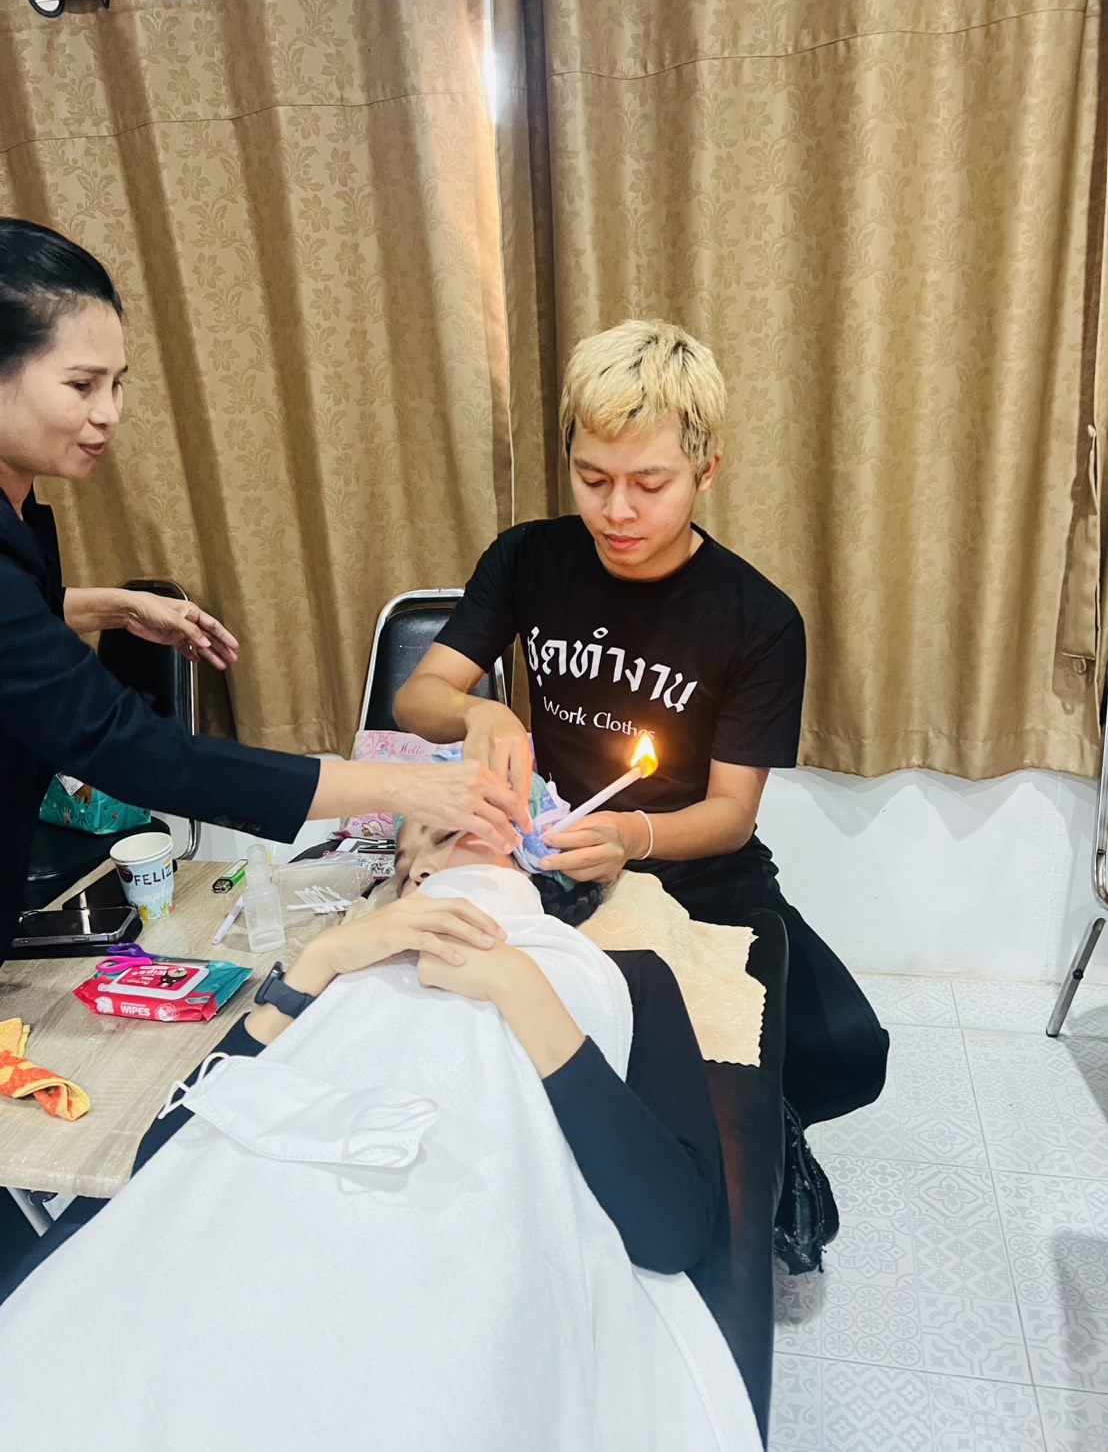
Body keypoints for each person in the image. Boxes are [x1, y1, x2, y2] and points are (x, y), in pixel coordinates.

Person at [0, 806, 763, 1451]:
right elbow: (163, 1158)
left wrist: (519, 985)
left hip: (436, 1284)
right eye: (422, 843)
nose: (442, 842)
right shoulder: (347, 968)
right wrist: (320, 960)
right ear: (412, 881)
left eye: (466, 823)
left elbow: (671, 1230)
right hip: (240, 1255)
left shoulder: (620, 973)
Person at [393, 317, 888, 1130]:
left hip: (697, 867)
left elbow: (730, 815)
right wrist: (480, 707)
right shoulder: (527, 559)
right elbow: (418, 697)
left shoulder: (759, 619)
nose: (616, 510)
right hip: (554, 856)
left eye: (650, 484)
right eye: (592, 478)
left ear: (706, 468)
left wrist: (633, 834)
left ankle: (751, 1134)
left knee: (846, 1050)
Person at [0, 217, 527, 963]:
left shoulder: (18, 508)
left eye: (118, 384)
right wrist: (404, 788)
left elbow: (22, 618)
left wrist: (114, 605)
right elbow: (131, 749)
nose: (109, 412)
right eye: (82, 385)